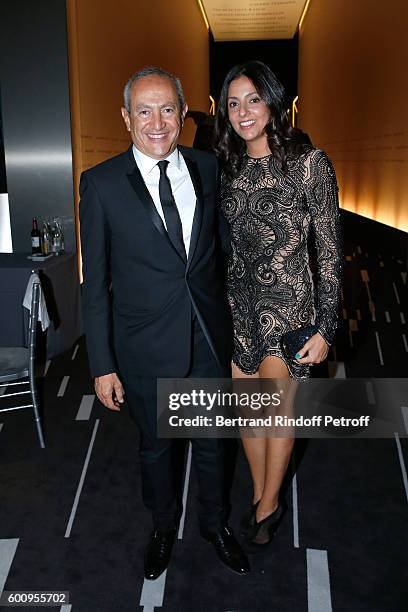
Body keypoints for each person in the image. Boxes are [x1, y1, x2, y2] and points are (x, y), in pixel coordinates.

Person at [79, 66, 250, 579]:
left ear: (182, 113)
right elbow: (95, 283)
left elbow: (218, 252)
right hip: (143, 345)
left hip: (205, 337)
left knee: (213, 443)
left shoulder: (206, 167)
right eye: (145, 111)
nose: (158, 122)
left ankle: (214, 524)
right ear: (127, 118)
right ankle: (161, 526)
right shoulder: (102, 184)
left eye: (168, 109)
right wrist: (102, 364)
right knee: (156, 450)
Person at [214, 61, 342, 552]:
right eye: (233, 102)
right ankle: (261, 493)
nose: (243, 112)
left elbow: (329, 251)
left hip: (290, 306)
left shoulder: (309, 163)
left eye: (253, 99)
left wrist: (326, 326)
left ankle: (267, 506)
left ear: (273, 102)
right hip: (239, 306)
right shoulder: (229, 168)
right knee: (248, 413)